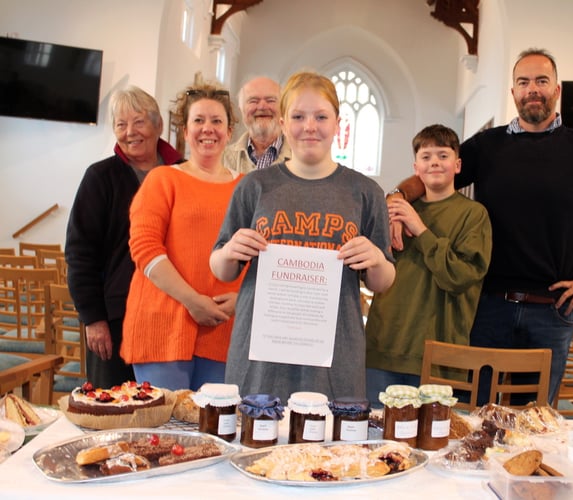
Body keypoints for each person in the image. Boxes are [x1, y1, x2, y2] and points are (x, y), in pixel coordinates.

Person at [389, 48, 573, 406]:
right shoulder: (488, 146)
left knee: (533, 419)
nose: (533, 89)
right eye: (523, 82)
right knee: (471, 413)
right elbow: (436, 169)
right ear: (513, 92)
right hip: (488, 306)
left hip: (552, 309)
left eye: (541, 81)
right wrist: (399, 196)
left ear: (557, 90)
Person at [210, 71, 395, 402]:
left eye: (321, 116)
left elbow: (382, 281)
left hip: (334, 354)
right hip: (262, 352)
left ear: (338, 123)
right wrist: (229, 252)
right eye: (298, 116)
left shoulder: (364, 192)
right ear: (283, 122)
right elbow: (222, 268)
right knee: (256, 440)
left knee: (329, 448)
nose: (310, 126)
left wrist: (377, 260)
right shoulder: (255, 187)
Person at [120, 82, 245, 391]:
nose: (208, 129)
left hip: (224, 328)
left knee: (215, 431)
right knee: (164, 433)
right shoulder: (163, 179)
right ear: (185, 131)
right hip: (163, 325)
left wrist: (242, 300)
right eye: (198, 121)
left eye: (217, 121)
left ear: (229, 131)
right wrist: (192, 301)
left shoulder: (246, 188)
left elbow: (258, 255)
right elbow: (145, 248)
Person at [365, 124, 492, 405]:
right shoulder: (393, 210)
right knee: (375, 439)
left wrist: (420, 230)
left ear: (458, 165)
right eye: (426, 156)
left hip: (439, 355)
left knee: (434, 442)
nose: (434, 161)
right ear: (415, 167)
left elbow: (459, 277)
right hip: (385, 345)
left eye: (443, 155)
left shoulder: (474, 215)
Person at [66, 86, 183, 389]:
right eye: (121, 124)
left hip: (175, 314)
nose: (130, 132)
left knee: (167, 407)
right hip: (117, 317)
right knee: (114, 408)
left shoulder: (184, 174)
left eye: (139, 122)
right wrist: (93, 319)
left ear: (159, 125)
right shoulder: (100, 178)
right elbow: (81, 254)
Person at [223, 76, 291, 173]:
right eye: (253, 101)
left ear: (283, 107)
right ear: (241, 109)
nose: (262, 106)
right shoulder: (223, 159)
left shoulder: (301, 158)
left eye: (270, 100)